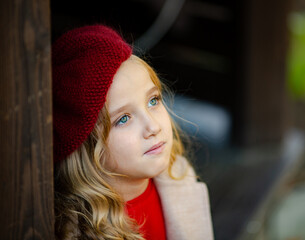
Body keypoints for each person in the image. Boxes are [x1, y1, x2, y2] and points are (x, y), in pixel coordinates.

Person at [52, 24, 213, 240]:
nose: (153, 127)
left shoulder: (181, 181)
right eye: (124, 119)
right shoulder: (80, 231)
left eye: (153, 100)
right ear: (86, 145)